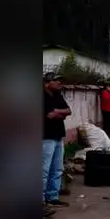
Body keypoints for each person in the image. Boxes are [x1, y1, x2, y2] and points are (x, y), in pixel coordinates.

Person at [43, 72, 72, 209]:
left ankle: (53, 197)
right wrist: (59, 113)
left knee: (57, 169)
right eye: (56, 80)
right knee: (44, 170)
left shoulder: (57, 95)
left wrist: (57, 112)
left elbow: (68, 111)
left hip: (58, 136)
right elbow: (49, 115)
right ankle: (42, 200)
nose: (59, 83)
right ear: (47, 83)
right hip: (45, 137)